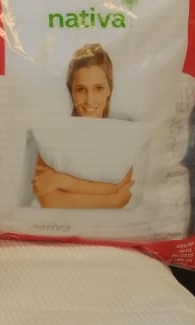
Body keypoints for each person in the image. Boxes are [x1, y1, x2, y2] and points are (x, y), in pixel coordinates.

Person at [32, 43, 133, 209]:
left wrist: (62, 180)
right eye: (81, 89)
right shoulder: (54, 134)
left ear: (109, 89)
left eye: (98, 88)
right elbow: (50, 200)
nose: (89, 100)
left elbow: (121, 189)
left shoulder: (121, 133)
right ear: (71, 91)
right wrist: (110, 199)